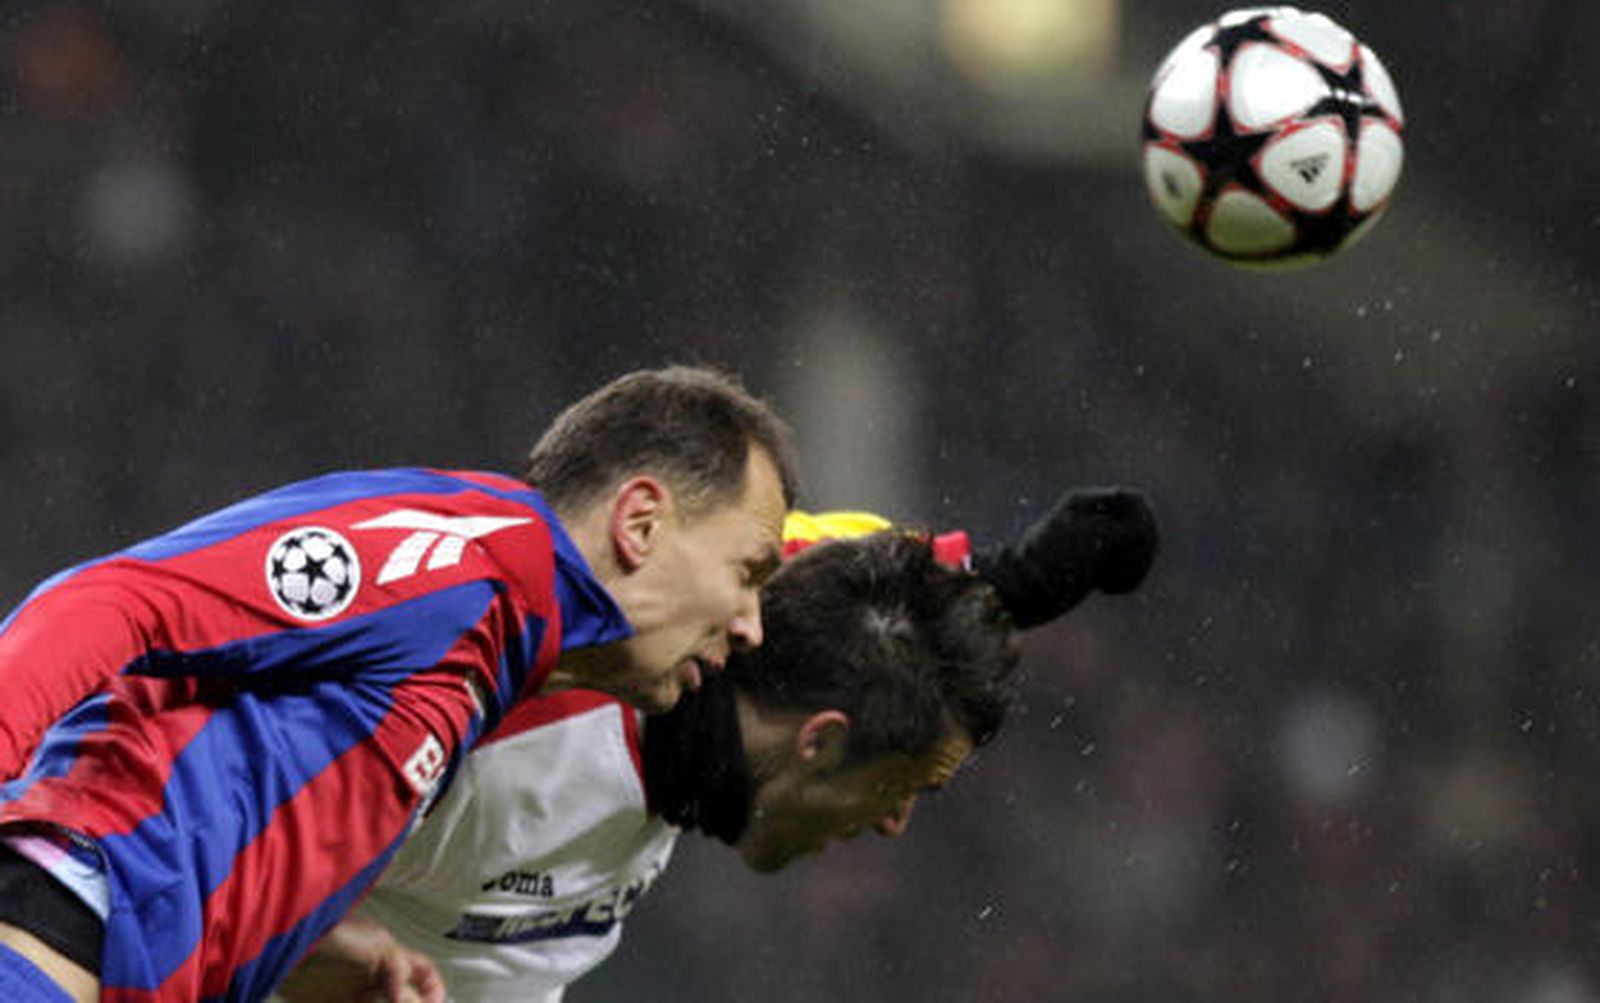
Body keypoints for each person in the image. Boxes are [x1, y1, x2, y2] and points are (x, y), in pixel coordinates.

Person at [0, 364, 800, 1003]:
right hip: (52, 932)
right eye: (748, 572)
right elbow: (114, 600)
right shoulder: (452, 565)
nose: (750, 622)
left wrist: (312, 943)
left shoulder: (504, 642)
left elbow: (245, 774)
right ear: (642, 524)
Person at [281, 488, 1158, 1002]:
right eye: (903, 789)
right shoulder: (494, 730)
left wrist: (1024, 579)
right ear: (819, 742)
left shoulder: (800, 607)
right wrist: (322, 954)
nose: (892, 825)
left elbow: (891, 581)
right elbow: (202, 854)